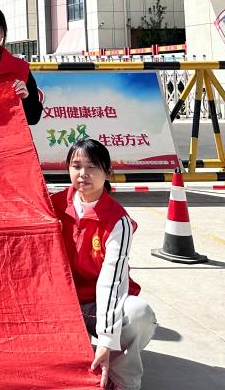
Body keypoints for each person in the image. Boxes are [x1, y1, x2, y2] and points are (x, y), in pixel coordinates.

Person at [51, 139, 157, 390]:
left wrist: (107, 341)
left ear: (108, 173)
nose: (83, 174)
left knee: (140, 315)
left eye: (92, 167)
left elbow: (112, 282)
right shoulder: (53, 206)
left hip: (96, 305)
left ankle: (122, 379)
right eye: (76, 166)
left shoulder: (118, 221)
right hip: (60, 304)